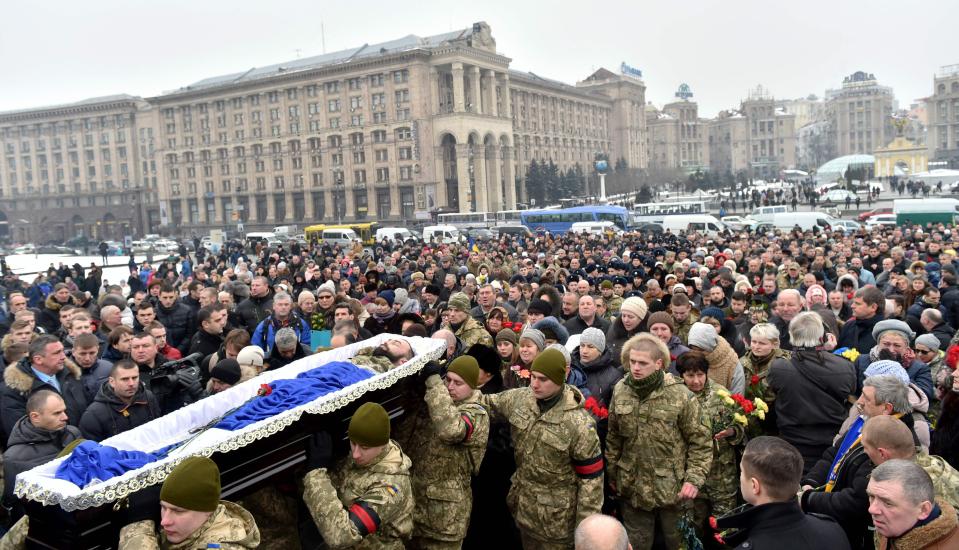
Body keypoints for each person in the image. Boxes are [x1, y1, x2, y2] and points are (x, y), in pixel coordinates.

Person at [479, 348, 604, 548]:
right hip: (522, 510)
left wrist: (586, 532)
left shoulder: (579, 424)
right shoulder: (521, 399)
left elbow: (591, 483)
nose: (535, 384)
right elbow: (485, 403)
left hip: (557, 524)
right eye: (533, 377)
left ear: (560, 378)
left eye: (543, 379)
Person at [606, 334, 712, 550]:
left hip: (674, 490)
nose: (635, 367)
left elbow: (700, 442)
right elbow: (614, 437)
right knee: (636, 546)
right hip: (632, 488)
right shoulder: (621, 390)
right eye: (632, 362)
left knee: (680, 545)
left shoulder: (681, 395)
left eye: (642, 363)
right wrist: (613, 474)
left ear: (658, 364)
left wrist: (693, 480)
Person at [397, 355, 490, 549]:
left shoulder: (477, 413)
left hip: (445, 520)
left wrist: (434, 382)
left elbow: (451, 430)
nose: (450, 386)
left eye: (458, 383)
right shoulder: (437, 400)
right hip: (415, 510)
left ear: (473, 386)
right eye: (448, 379)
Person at [302, 402, 414, 549]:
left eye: (364, 448)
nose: (355, 454)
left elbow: (342, 536)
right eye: (353, 443)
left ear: (383, 444)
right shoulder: (366, 458)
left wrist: (316, 473)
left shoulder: (390, 488)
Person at [715, 437, 850, 549]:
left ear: (754, 485)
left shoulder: (754, 545)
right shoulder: (832, 530)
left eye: (742, 472)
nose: (741, 477)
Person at [768, 311, 857, 473]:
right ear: (822, 335)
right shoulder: (845, 366)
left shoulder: (779, 367)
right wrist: (827, 351)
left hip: (792, 442)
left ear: (792, 335)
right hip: (830, 445)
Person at [118, 456, 261, 548]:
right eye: (163, 508)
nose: (165, 521)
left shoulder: (223, 546)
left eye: (178, 511)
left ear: (208, 511)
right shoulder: (189, 527)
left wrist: (138, 528)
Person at [2, 391, 82, 518]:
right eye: (57, 413)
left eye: (64, 411)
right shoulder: (13, 458)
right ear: (35, 417)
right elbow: (13, 505)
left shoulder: (73, 433)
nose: (65, 417)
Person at [861, 415, 959, 510]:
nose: (864, 452)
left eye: (865, 447)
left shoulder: (909, 489)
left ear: (882, 453)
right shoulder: (935, 463)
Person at [1, 335, 88, 439]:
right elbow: (20, 431)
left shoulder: (71, 375)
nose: (64, 357)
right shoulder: (15, 390)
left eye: (62, 351)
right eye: (56, 353)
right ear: (38, 360)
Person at [867, 459, 959, 548]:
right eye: (871, 496)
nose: (872, 509)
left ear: (923, 510)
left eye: (887, 503)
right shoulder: (896, 527)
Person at [79, 359, 161, 441]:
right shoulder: (93, 415)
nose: (131, 383)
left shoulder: (149, 397)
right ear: (112, 382)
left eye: (135, 378)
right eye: (125, 379)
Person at [686, 321, 745, 393]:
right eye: (693, 348)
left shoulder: (732, 364)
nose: (696, 353)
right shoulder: (688, 358)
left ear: (711, 347)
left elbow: (738, 395)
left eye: (701, 350)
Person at [837, 286, 886, 354]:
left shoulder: (885, 332)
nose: (852, 306)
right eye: (853, 302)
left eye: (857, 303)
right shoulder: (848, 325)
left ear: (873, 307)